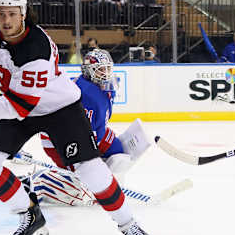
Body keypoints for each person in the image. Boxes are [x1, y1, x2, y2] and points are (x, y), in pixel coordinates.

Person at [0, 0, 152, 235]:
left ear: (24, 13)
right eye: (0, 13)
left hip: (58, 108)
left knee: (91, 171)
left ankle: (128, 223)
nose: (5, 20)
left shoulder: (37, 50)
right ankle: (29, 214)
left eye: (12, 14)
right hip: (15, 103)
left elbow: (20, 105)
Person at [20, 49, 149, 206]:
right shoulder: (87, 96)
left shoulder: (97, 87)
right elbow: (82, 137)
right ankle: (38, 183)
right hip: (60, 141)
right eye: (100, 69)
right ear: (89, 71)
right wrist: (94, 169)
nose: (106, 73)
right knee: (82, 190)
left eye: (107, 68)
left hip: (83, 132)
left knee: (118, 151)